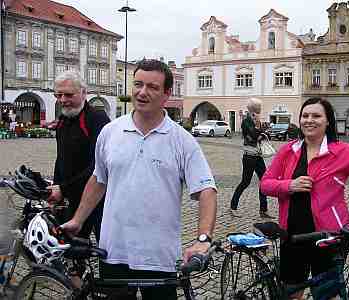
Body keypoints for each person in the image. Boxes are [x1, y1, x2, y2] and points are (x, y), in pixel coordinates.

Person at [62, 59, 217, 300]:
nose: (142, 92)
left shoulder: (182, 140)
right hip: (113, 251)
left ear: (166, 94)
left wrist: (203, 239)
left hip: (159, 256)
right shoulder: (110, 132)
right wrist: (78, 219)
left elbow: (206, 189)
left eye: (152, 87)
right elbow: (99, 179)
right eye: (138, 84)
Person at [260, 97, 349, 300]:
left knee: (325, 294)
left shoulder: (344, 153)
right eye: (305, 115)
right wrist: (288, 185)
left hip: (330, 238)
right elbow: (265, 184)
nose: (309, 120)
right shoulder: (288, 150)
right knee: (292, 294)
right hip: (292, 235)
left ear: (328, 120)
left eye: (316, 116)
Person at [47, 71, 110, 243]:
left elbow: (99, 165)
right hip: (72, 197)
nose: (62, 100)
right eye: (58, 95)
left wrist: (64, 188)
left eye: (68, 95)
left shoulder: (97, 118)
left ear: (83, 93)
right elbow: (61, 159)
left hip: (98, 198)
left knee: (105, 246)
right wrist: (56, 187)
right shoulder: (63, 119)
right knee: (68, 248)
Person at [230, 98, 272, 218]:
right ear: (253, 108)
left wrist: (260, 131)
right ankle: (233, 206)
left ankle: (263, 210)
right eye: (258, 107)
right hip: (249, 156)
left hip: (258, 155)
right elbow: (253, 134)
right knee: (245, 182)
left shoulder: (256, 120)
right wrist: (258, 128)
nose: (260, 109)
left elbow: (265, 134)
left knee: (264, 181)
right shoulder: (246, 121)